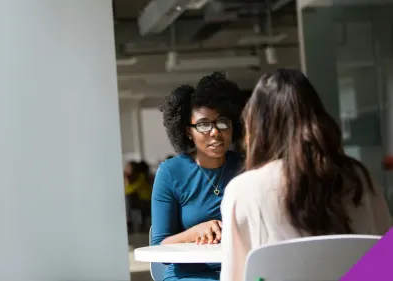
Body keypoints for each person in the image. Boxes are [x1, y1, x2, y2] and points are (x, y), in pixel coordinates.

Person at [220, 69, 392, 281]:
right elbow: (387, 261)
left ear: (258, 127)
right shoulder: (358, 178)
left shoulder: (243, 190)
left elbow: (233, 277)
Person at [151, 72, 250, 281]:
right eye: (204, 125)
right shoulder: (171, 172)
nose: (215, 132)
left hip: (242, 272)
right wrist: (196, 232)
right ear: (188, 131)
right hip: (190, 276)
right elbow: (160, 247)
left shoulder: (247, 166)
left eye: (223, 122)